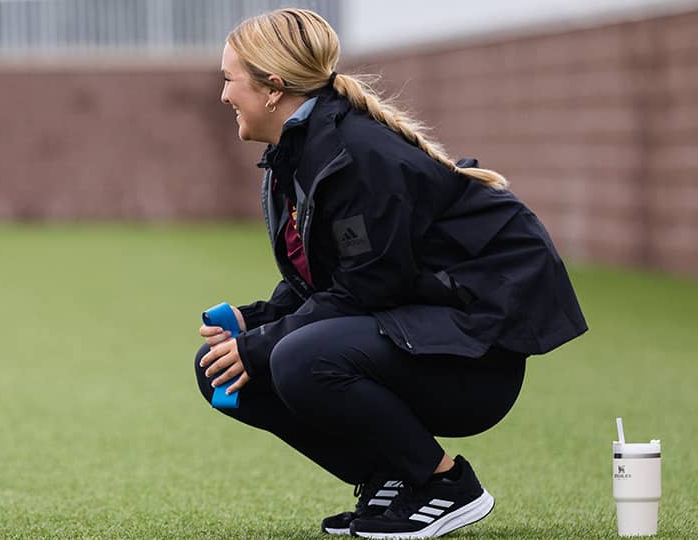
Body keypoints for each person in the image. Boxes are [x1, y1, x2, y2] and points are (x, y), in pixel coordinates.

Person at [196, 10, 587, 539]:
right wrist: (256, 320)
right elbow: (335, 275)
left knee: (293, 358)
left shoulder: (354, 154)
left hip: (474, 366)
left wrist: (264, 342)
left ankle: (445, 484)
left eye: (228, 79)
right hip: (414, 337)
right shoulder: (296, 151)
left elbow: (369, 285)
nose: (223, 95)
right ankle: (391, 479)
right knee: (219, 368)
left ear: (273, 87)